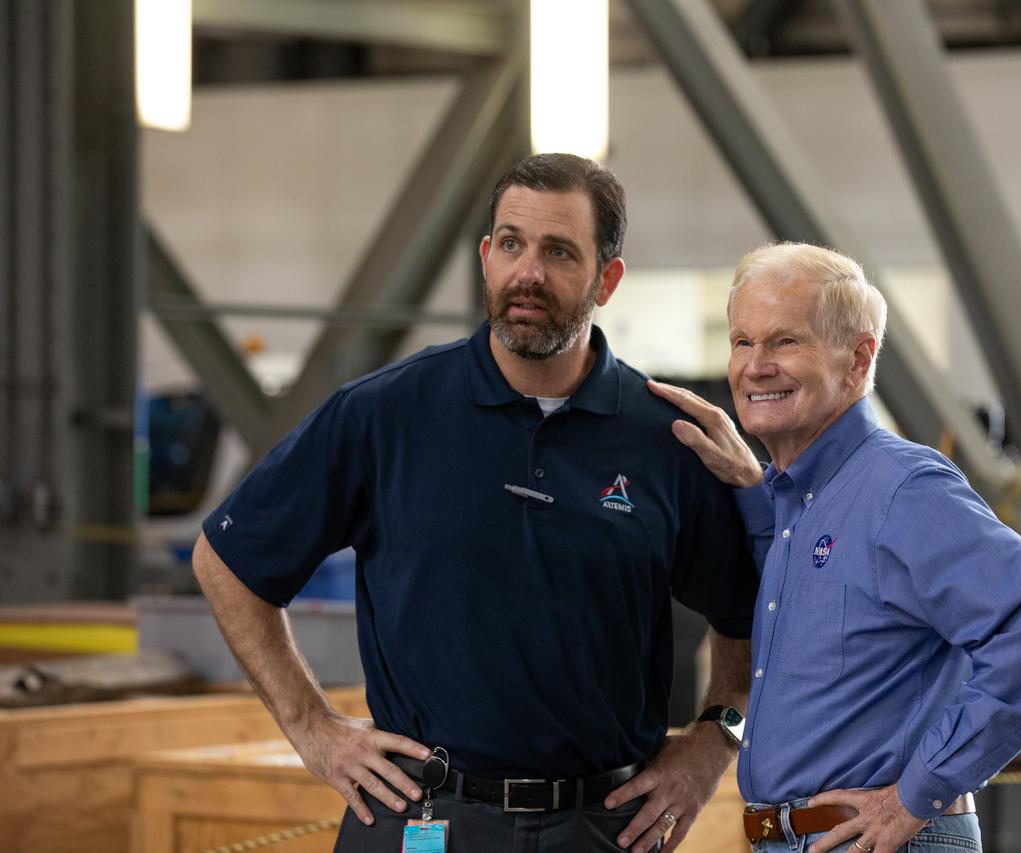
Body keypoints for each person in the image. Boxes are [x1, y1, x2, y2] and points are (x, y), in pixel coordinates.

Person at [192, 153, 758, 853]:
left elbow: (749, 613)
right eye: (512, 244)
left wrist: (712, 744)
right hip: (419, 816)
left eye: (559, 252)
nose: (529, 272)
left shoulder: (666, 438)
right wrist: (311, 727)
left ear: (606, 279)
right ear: (487, 258)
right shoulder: (383, 414)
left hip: (603, 825)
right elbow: (226, 559)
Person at [649, 242, 1021, 853]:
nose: (754, 366)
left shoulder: (902, 489)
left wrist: (919, 793)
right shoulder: (795, 503)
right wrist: (753, 489)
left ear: (858, 361)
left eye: (784, 342)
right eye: (742, 342)